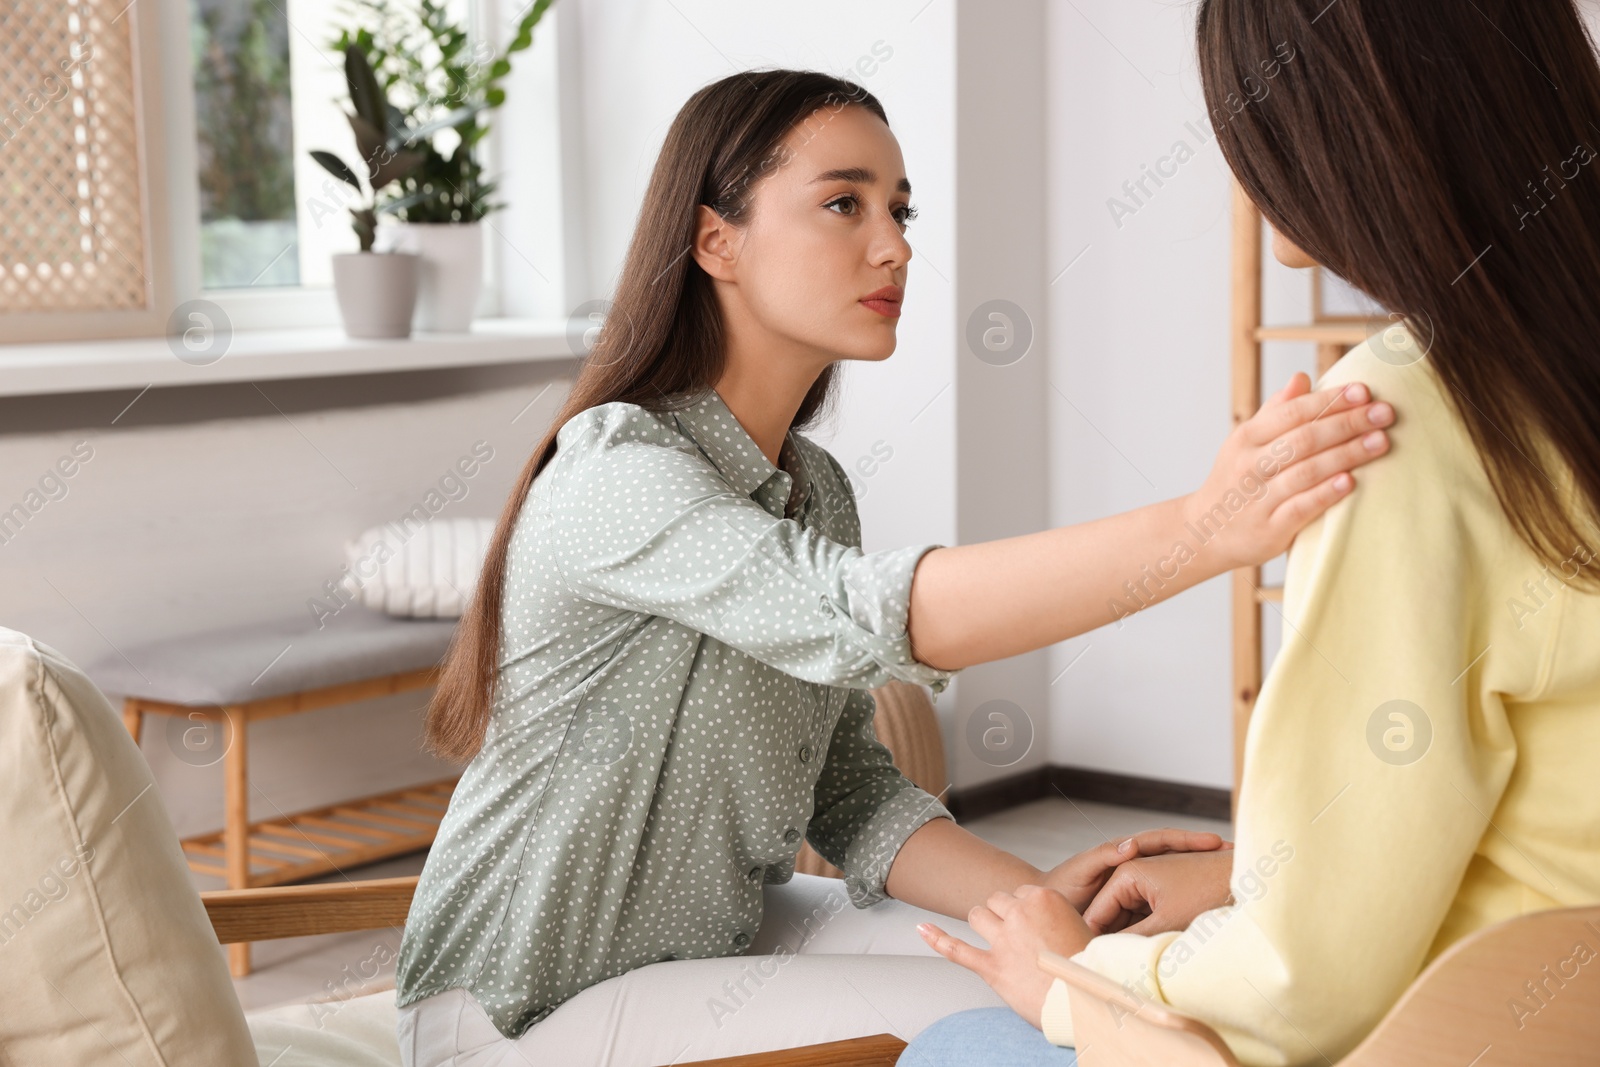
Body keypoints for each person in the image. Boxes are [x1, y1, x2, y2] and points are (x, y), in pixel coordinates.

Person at [391, 69, 1394, 1065]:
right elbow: (872, 613)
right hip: (521, 1005)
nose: (895, 245)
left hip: (720, 935)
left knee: (1080, 976)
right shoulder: (619, 465)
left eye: (899, 210)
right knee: (1040, 1020)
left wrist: (1034, 898)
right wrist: (1201, 528)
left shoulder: (814, 485)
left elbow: (850, 789)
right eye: (843, 203)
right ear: (714, 241)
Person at [906, 0, 1600, 1063]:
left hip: (1467, 1028)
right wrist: (1260, 870)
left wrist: (1073, 973)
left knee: (955, 1041)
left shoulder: (1398, 419)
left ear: (1326, 127)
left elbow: (1299, 994)